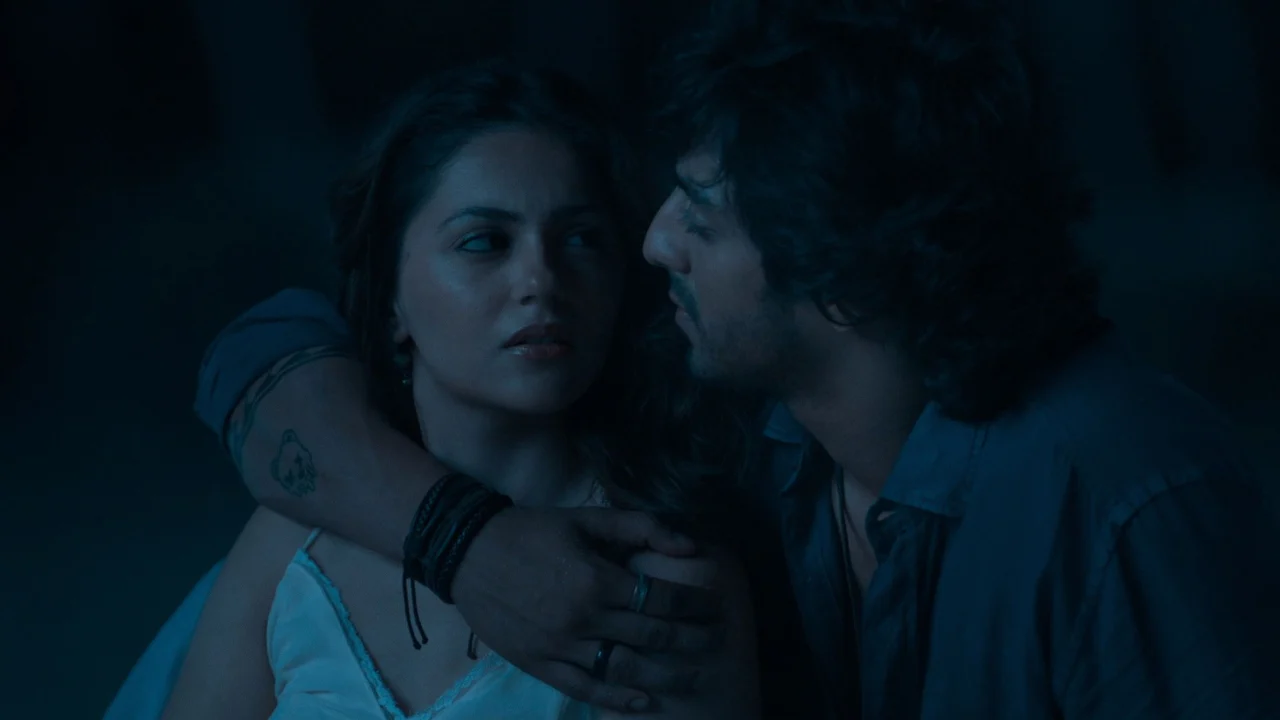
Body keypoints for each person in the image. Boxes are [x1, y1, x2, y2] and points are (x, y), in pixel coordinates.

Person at [170, 2, 1278, 719]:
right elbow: (262, 356)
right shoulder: (768, 432)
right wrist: (465, 543)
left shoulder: (1114, 493)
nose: (655, 244)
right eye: (481, 243)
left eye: (699, 214)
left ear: (833, 261)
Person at [160, 63, 760, 720]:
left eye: (581, 240)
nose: (540, 279)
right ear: (390, 297)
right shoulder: (295, 538)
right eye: (484, 242)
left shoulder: (661, 581)